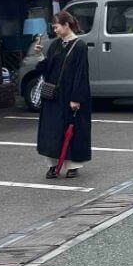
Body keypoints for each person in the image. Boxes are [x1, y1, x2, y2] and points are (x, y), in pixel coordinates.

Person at [34, 10, 91, 179]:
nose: (55, 30)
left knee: (71, 130)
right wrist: (39, 55)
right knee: (51, 130)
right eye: (54, 27)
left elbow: (81, 74)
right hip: (53, 96)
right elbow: (46, 69)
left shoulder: (80, 46)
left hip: (69, 96)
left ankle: (73, 166)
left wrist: (76, 98)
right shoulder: (55, 44)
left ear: (66, 25)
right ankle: (52, 165)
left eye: (57, 26)